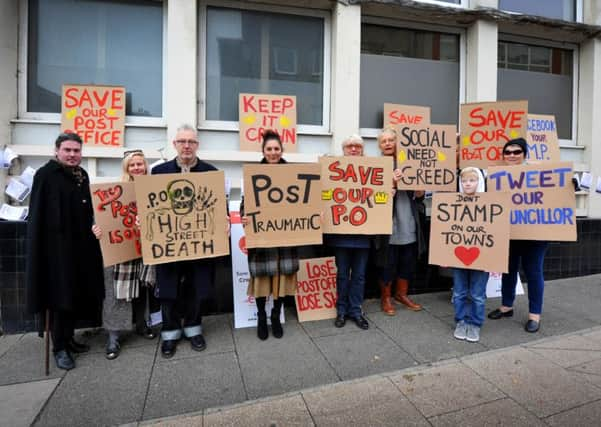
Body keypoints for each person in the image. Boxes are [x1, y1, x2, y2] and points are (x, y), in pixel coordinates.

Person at [26, 132, 105, 370]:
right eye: (68, 150)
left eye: (76, 151)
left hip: (81, 247)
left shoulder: (82, 175)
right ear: (57, 151)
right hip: (55, 250)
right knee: (59, 296)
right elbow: (37, 216)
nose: (72, 155)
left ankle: (69, 338)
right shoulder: (45, 175)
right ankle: (59, 347)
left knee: (74, 293)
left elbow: (89, 208)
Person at [152, 124, 221, 358]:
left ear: (197, 145)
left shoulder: (210, 173)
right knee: (168, 289)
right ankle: (170, 333)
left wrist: (224, 223)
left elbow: (216, 208)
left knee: (196, 287)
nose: (186, 146)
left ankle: (193, 329)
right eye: (182, 141)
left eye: (191, 142)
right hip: (169, 244)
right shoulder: (159, 172)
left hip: (199, 245)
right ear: (174, 144)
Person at [91, 150, 159, 360]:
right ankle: (113, 336)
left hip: (144, 248)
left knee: (142, 290)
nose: (137, 168)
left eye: (141, 164)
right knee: (116, 293)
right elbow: (101, 217)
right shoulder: (114, 190)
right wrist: (97, 228)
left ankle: (141, 324)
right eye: (133, 165)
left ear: (146, 166)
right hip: (120, 250)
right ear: (126, 168)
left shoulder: (153, 189)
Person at [240, 130, 298, 340]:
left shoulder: (293, 174)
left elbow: (302, 203)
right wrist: (245, 216)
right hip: (262, 240)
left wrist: (311, 213)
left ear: (281, 150)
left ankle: (275, 316)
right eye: (269, 149)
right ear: (263, 151)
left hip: (285, 238)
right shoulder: (253, 173)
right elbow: (245, 204)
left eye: (276, 149)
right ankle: (261, 317)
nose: (273, 152)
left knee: (281, 280)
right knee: (262, 281)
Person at [487, 137, 547, 333]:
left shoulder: (539, 172)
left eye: (516, 152)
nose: (511, 155)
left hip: (534, 234)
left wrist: (571, 184)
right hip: (508, 232)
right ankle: (506, 306)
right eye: (508, 152)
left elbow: (558, 191)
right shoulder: (496, 175)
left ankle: (534, 315)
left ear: (524, 154)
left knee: (534, 272)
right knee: (508, 270)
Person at [375, 126, 425, 315]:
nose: (388, 143)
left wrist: (420, 190)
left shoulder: (410, 162)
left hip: (408, 221)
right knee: (387, 262)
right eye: (384, 141)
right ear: (380, 146)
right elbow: (371, 195)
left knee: (407, 260)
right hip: (387, 225)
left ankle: (401, 294)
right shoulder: (375, 165)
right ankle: (386, 297)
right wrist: (392, 182)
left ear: (397, 143)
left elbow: (419, 195)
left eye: (391, 140)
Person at [325, 135, 370, 330]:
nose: (353, 149)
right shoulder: (333, 170)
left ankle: (356, 311)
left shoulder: (372, 170)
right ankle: (341, 311)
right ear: (343, 150)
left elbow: (379, 198)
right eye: (349, 146)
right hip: (340, 235)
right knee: (342, 275)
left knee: (359, 276)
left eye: (357, 147)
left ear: (362, 150)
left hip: (364, 236)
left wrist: (389, 192)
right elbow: (325, 194)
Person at [452, 167, 489, 343]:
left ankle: (475, 323)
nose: (468, 183)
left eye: (472, 180)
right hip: (459, 257)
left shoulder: (490, 204)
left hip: (482, 258)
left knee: (477, 294)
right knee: (459, 292)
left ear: (480, 182)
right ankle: (460, 321)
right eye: (464, 180)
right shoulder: (453, 203)